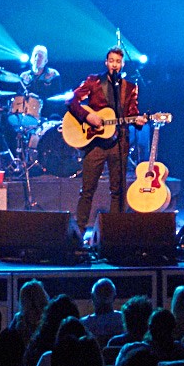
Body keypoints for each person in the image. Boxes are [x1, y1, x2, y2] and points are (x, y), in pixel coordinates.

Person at [67, 47, 147, 235]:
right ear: (106, 62)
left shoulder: (130, 87)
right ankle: (78, 233)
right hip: (95, 143)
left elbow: (132, 114)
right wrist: (88, 117)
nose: (114, 64)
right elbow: (71, 100)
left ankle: (114, 233)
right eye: (111, 61)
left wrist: (138, 121)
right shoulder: (94, 81)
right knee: (87, 190)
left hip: (119, 142)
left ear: (122, 64)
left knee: (118, 190)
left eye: (118, 61)